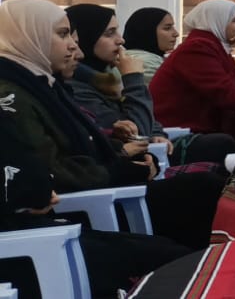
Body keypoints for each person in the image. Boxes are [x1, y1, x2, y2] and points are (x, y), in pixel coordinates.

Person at [0, 0, 229, 250]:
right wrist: (133, 82)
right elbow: (53, 170)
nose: (75, 48)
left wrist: (126, 152)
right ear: (29, 38)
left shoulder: (49, 85)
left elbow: (126, 133)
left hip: (98, 190)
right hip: (76, 206)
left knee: (210, 182)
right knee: (204, 187)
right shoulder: (16, 95)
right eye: (63, 34)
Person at [0, 94, 190, 299]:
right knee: (171, 256)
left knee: (171, 250)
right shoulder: (16, 93)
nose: (77, 59)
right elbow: (43, 176)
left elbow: (36, 171)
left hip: (40, 223)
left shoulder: (48, 89)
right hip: (26, 240)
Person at [64, 4, 235, 167]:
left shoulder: (108, 75)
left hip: (152, 150)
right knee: (220, 147)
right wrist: (133, 79)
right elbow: (137, 133)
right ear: (86, 38)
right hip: (128, 162)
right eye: (109, 33)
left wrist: (157, 134)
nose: (120, 40)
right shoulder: (78, 88)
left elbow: (149, 120)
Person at [151, 0, 235, 145]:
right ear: (217, 21)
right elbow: (227, 95)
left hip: (207, 131)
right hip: (179, 136)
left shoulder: (215, 45)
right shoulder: (198, 47)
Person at [122, 6, 179, 76]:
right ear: (147, 31)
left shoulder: (129, 58)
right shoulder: (148, 64)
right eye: (167, 28)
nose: (176, 34)